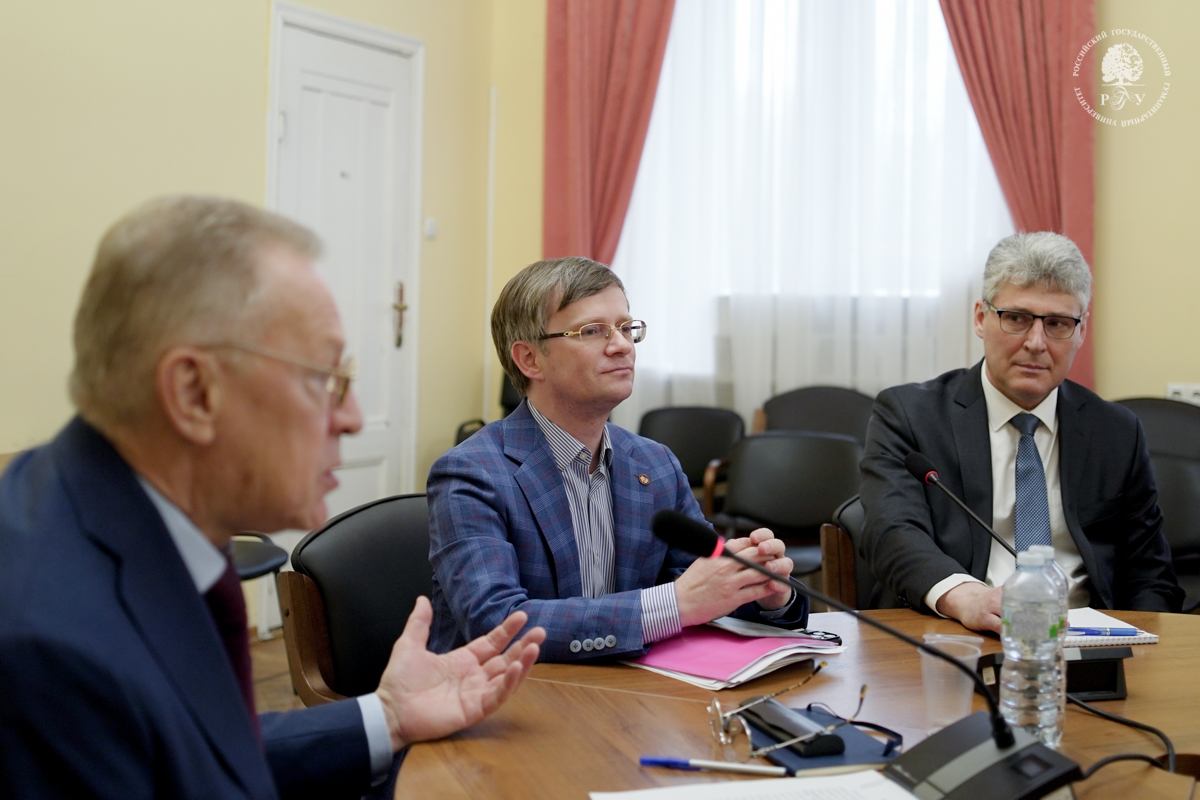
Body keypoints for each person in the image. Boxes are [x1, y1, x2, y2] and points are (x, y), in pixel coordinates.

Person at [0, 196, 546, 800]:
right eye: (325, 379)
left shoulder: (132, 513)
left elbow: (188, 751)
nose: (352, 417)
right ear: (194, 393)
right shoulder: (47, 649)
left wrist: (387, 717)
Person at [427, 256, 807, 662]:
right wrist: (674, 604)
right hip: (511, 692)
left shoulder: (655, 463)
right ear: (530, 359)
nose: (622, 345)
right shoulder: (472, 473)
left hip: (632, 689)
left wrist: (765, 590)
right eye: (592, 331)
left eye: (626, 328)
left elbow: (702, 587)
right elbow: (497, 623)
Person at [860, 231, 1182, 633]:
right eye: (1016, 318)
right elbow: (893, 534)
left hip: (1086, 641)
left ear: (1081, 332)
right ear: (981, 318)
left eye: (1057, 323)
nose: (1036, 343)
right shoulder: (909, 415)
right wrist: (966, 597)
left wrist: (1140, 647)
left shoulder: (1116, 431)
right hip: (955, 636)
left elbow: (1150, 575)